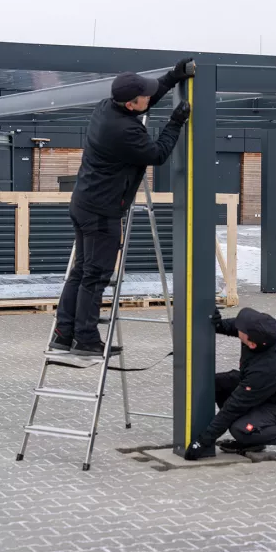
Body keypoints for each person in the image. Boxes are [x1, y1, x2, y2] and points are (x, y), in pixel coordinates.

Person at [49, 58, 193, 357]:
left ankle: (63, 334)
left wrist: (170, 77)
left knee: (80, 272)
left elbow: (144, 99)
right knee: (95, 276)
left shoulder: (106, 107)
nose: (148, 99)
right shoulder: (126, 133)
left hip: (84, 204)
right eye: (143, 98)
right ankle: (86, 339)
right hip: (102, 212)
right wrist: (175, 123)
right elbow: (157, 153)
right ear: (130, 105)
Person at [184, 307, 276, 461]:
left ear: (252, 344)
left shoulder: (266, 368)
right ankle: (254, 441)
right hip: (268, 387)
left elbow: (233, 407)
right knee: (219, 383)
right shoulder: (269, 328)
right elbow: (238, 326)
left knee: (240, 428)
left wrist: (203, 441)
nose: (238, 327)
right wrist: (218, 325)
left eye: (242, 329)